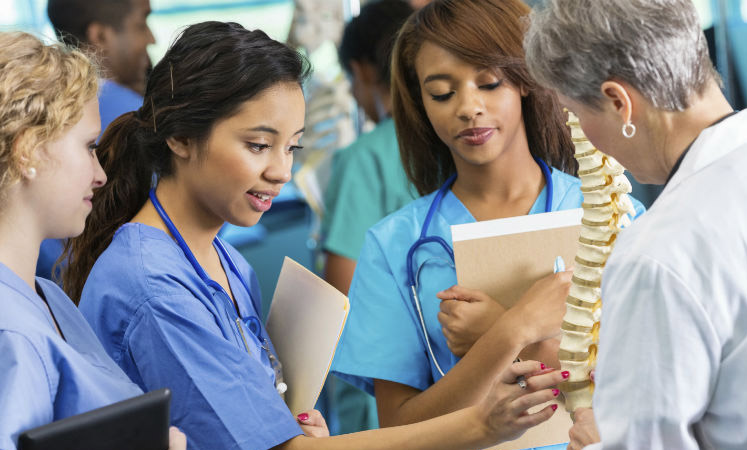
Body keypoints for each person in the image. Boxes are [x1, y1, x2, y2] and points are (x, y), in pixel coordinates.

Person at [63, 21, 568, 450]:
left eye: (292, 149)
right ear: (179, 137)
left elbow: (264, 421)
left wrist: (295, 427)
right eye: (259, 145)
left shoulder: (223, 261)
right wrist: (484, 421)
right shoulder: (152, 286)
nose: (281, 171)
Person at [329, 1, 644, 448]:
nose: (468, 108)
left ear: (525, 81)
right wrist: (510, 331)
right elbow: (398, 433)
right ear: (420, 103)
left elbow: (650, 386)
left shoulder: (610, 213)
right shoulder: (394, 244)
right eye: (441, 93)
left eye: (489, 83)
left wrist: (509, 330)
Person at [523, 0, 745, 448]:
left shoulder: (657, 255)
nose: (581, 132)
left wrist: (599, 441)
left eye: (577, 114)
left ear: (618, 102)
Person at [0, 31, 185, 450]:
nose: (100, 175)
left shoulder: (45, 294)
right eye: (88, 147)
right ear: (27, 151)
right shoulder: (12, 333)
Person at [321, 0, 415, 434]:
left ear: (360, 71)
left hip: (380, 382)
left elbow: (341, 293)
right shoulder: (460, 149)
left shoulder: (364, 158)